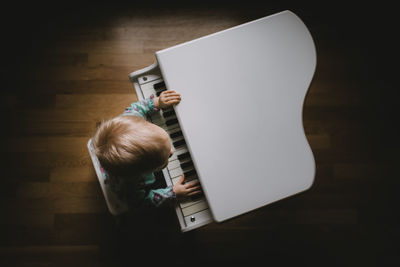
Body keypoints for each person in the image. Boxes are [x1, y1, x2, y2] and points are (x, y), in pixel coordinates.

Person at [92, 90, 201, 209]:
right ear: (146, 172)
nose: (172, 152)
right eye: (164, 160)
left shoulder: (131, 118)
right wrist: (172, 193)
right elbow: (140, 202)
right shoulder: (132, 183)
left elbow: (138, 107)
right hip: (117, 184)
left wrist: (156, 102)